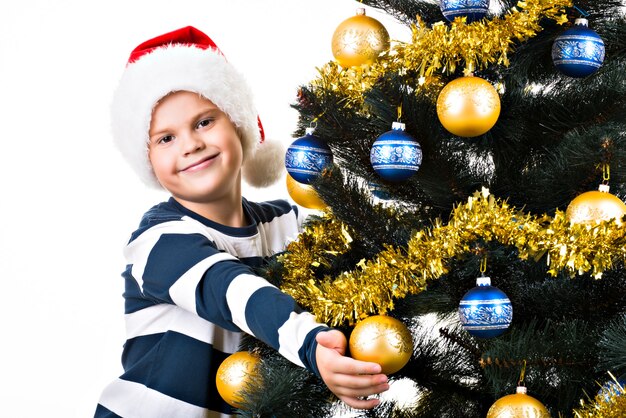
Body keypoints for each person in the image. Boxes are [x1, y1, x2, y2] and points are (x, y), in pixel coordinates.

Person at [94, 26, 389, 418]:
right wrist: (312, 345)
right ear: (148, 158)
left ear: (238, 122)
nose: (190, 144)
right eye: (165, 138)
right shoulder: (159, 241)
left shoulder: (285, 223)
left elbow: (364, 252)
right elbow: (233, 292)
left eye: (204, 122)